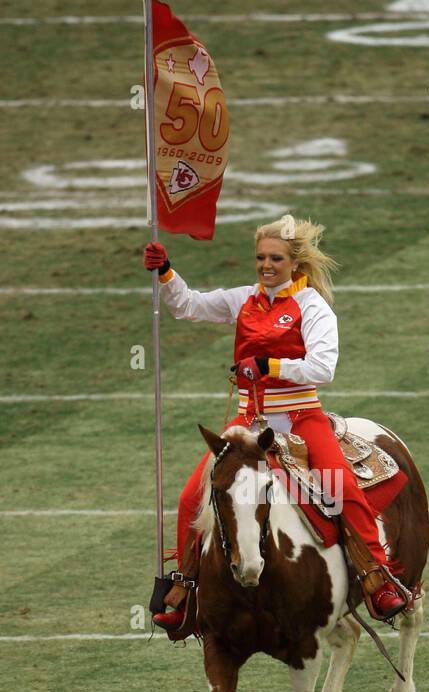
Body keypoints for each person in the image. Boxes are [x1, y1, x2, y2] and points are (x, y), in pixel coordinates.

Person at [144, 214, 408, 631]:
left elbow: (323, 367)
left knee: (342, 487)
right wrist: (165, 273)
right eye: (261, 258)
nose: (267, 266)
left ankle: (377, 577)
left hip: (301, 416)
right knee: (191, 497)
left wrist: (268, 364)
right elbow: (188, 306)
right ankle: (186, 587)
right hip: (250, 420)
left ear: (295, 263)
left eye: (276, 259)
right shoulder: (245, 299)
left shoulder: (312, 306)